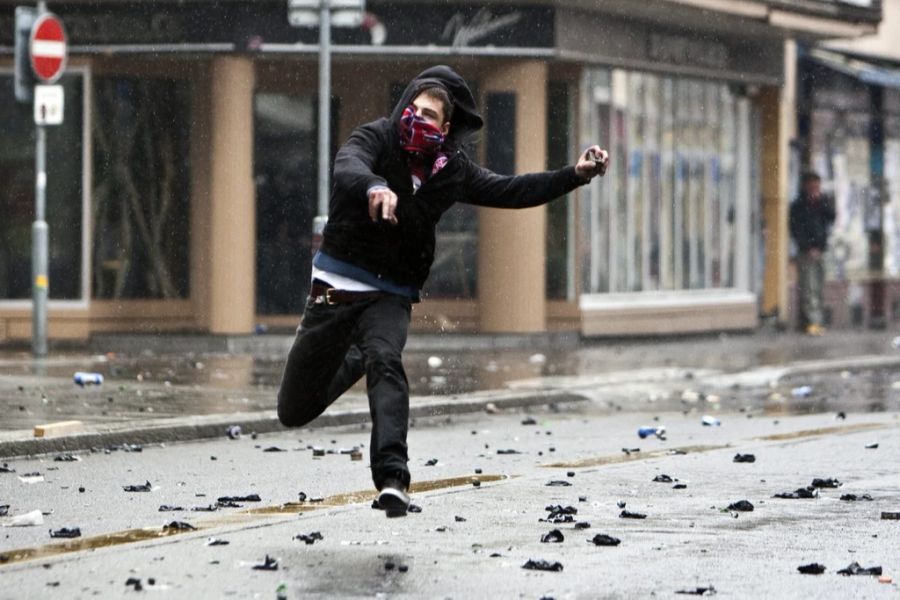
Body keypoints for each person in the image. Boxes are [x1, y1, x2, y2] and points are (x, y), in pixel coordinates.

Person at [276, 65, 608, 516]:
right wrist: (375, 185)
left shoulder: (453, 170)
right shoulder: (376, 137)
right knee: (293, 411)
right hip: (336, 285)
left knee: (387, 361)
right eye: (412, 110)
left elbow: (511, 190)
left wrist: (576, 173)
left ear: (446, 127)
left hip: (391, 292)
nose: (417, 119)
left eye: (428, 115)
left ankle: (393, 479)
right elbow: (347, 166)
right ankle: (357, 357)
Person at [789, 171, 836, 335]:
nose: (815, 189)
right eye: (812, 186)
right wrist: (808, 247)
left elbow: (831, 217)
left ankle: (817, 321)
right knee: (808, 287)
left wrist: (821, 201)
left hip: (820, 250)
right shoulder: (799, 206)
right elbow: (796, 229)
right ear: (805, 186)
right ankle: (811, 322)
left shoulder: (822, 202)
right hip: (806, 251)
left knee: (819, 287)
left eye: (817, 186)